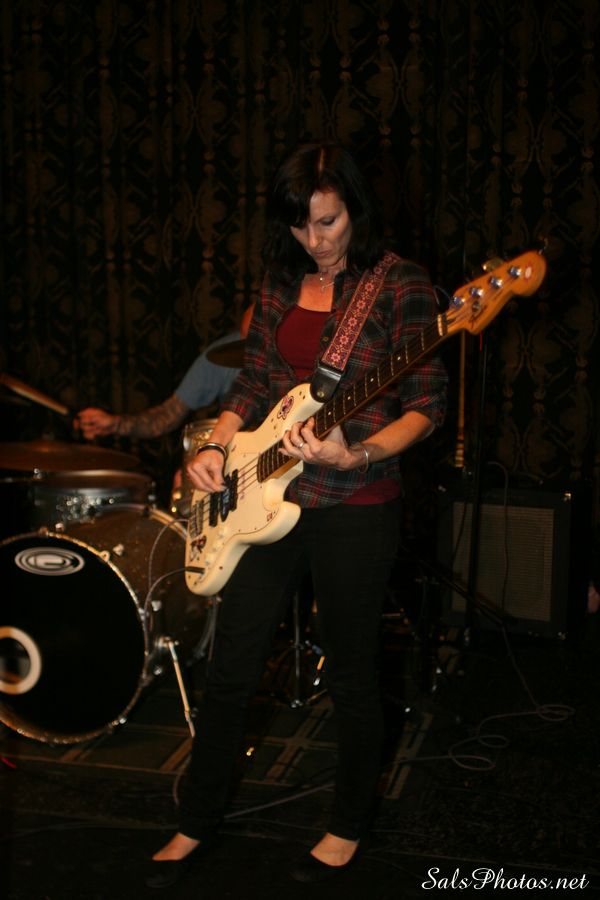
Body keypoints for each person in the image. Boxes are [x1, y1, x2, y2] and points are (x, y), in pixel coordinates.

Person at [145, 142, 448, 889]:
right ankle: (196, 820)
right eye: (300, 225)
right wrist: (216, 444)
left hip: (356, 503)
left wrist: (358, 452)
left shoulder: (401, 283)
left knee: (351, 673)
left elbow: (427, 407)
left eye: (328, 221)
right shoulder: (283, 279)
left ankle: (347, 824)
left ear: (355, 210)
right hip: (261, 499)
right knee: (230, 668)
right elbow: (255, 381)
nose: (315, 240)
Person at [75, 316, 252, 442]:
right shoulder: (224, 353)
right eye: (243, 341)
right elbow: (167, 416)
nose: (248, 352)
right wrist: (115, 424)